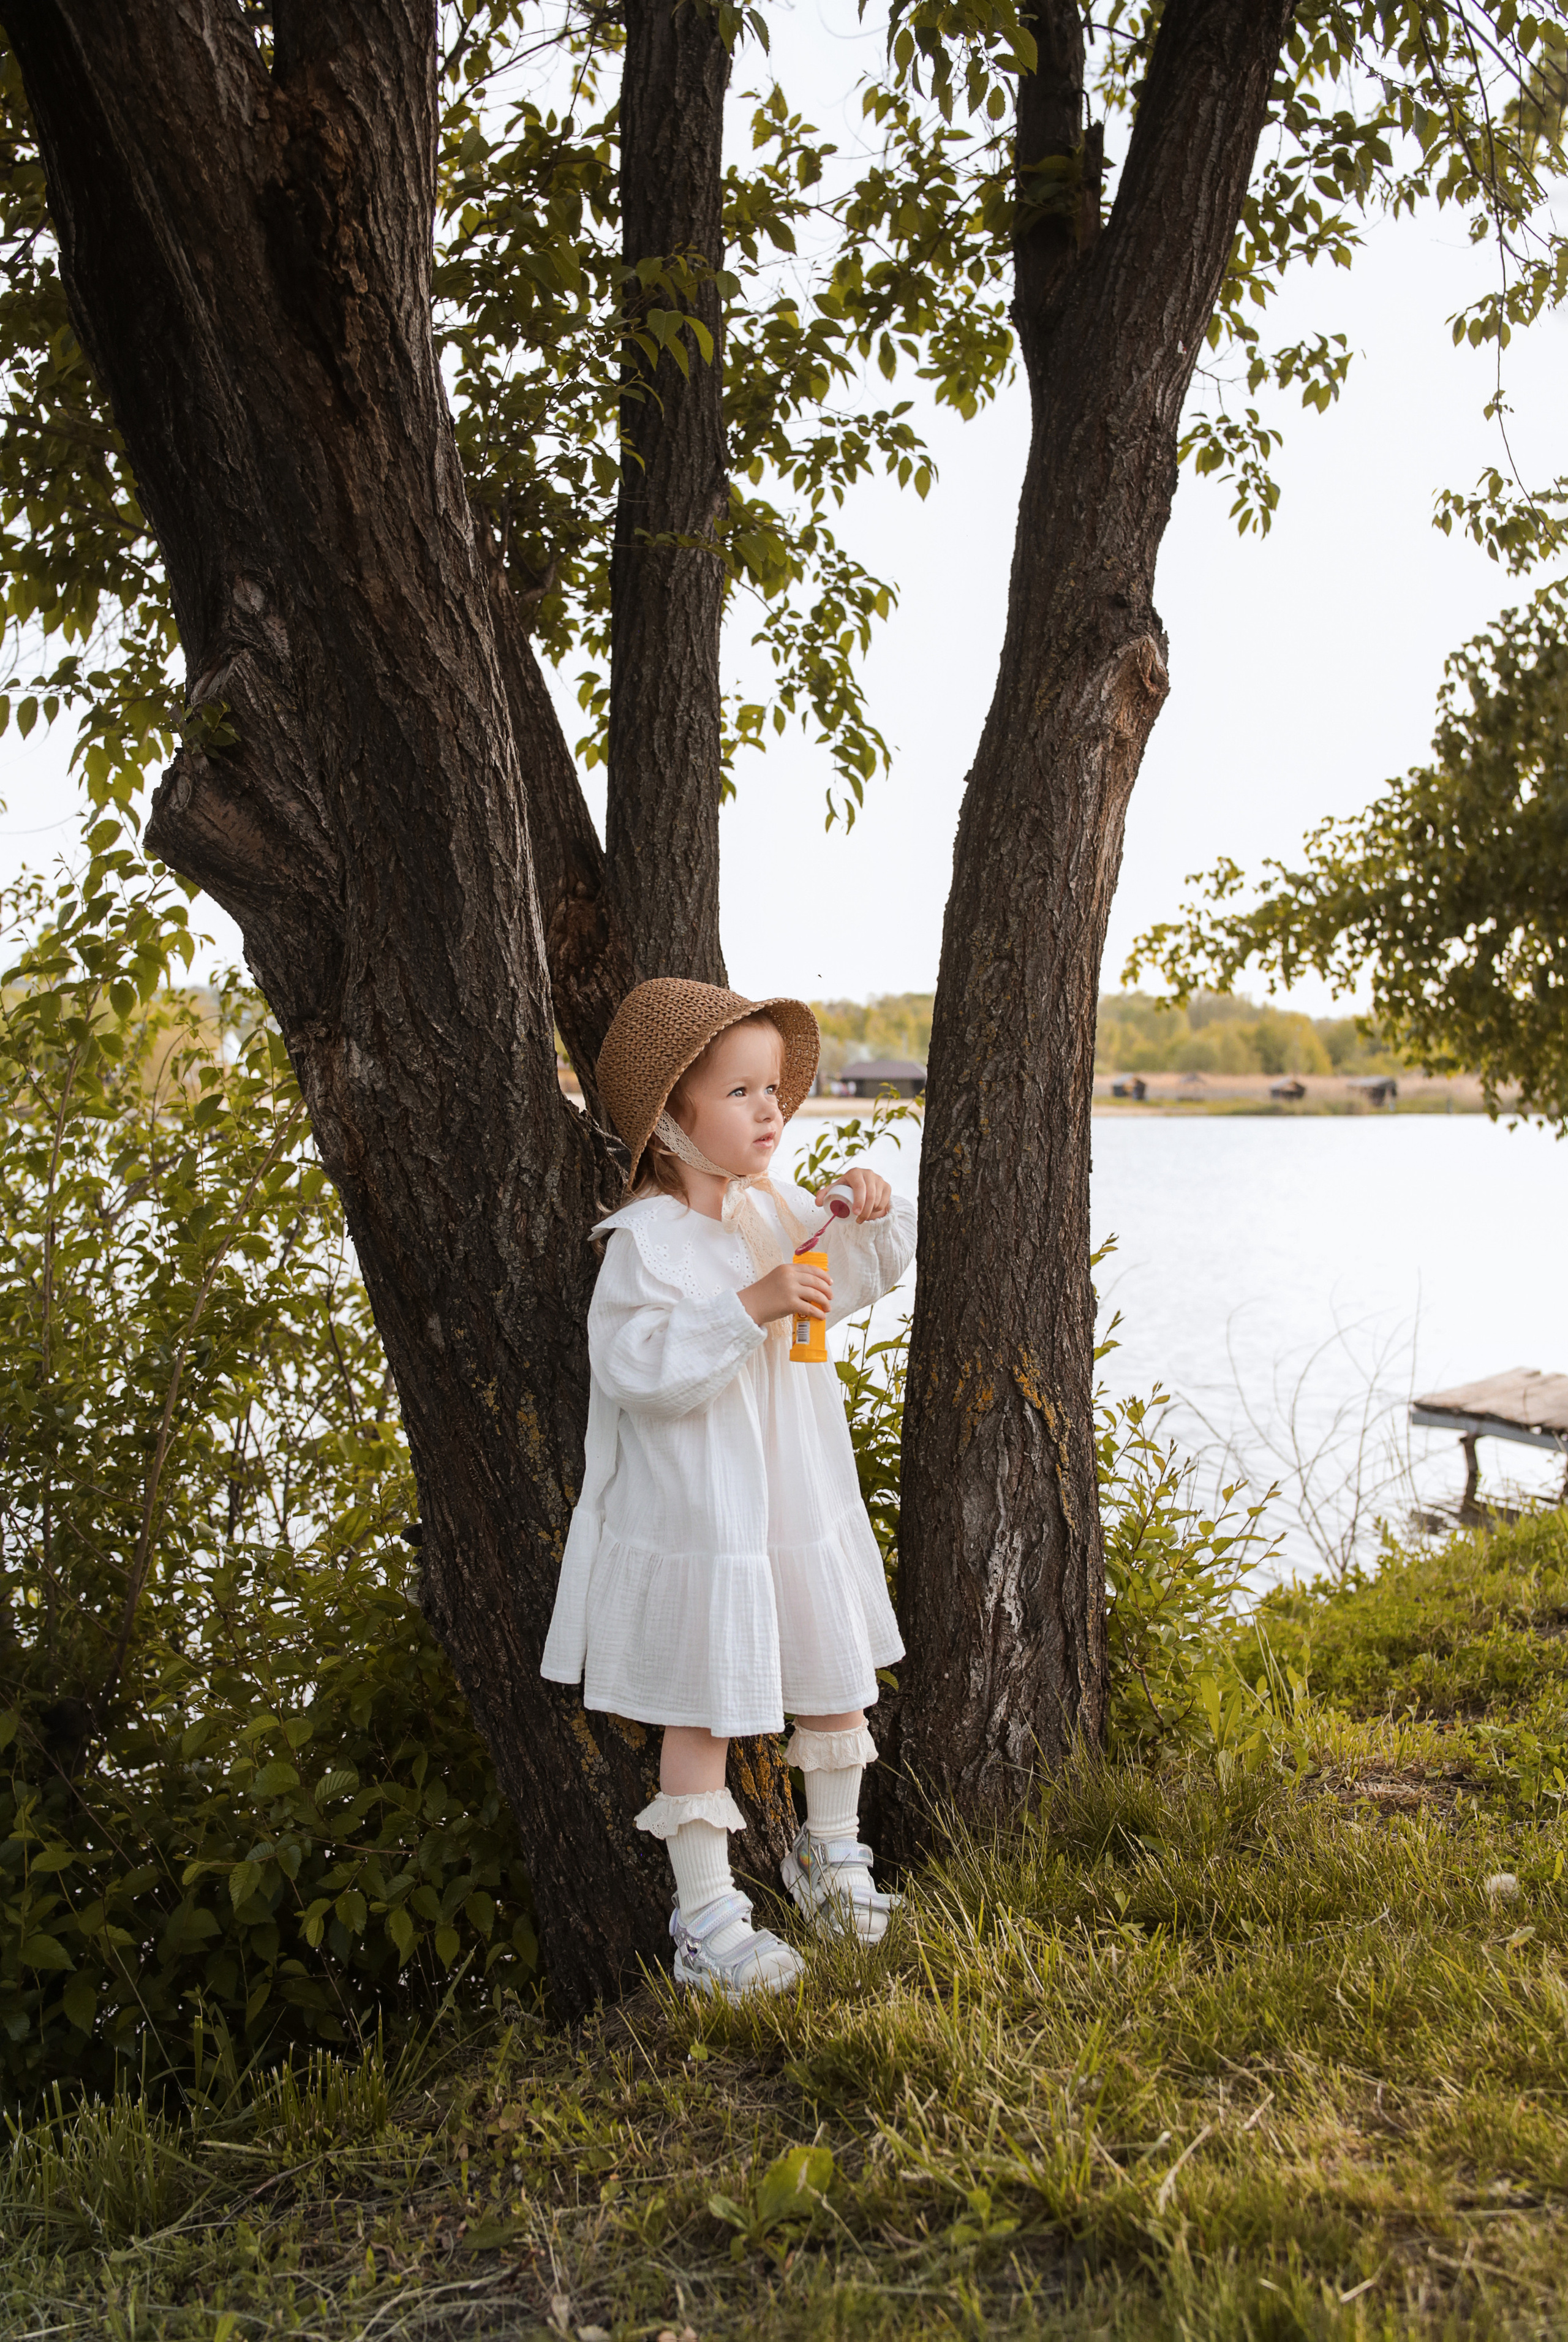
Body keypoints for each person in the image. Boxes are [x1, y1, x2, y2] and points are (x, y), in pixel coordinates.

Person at [541, 979, 916, 1996]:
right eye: (741, 1092)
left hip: (792, 1489)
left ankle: (831, 1857)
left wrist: (865, 1207)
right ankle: (706, 1916)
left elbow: (859, 1269)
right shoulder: (644, 1243)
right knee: (700, 1708)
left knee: (835, 1675)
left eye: (775, 1091)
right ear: (669, 1119)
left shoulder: (773, 1211)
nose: (770, 1110)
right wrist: (752, 1303)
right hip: (707, 1507)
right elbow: (638, 1368)